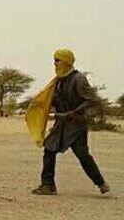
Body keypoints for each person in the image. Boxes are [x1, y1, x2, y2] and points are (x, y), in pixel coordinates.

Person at [27, 49, 109, 195]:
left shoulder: (78, 79)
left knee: (82, 154)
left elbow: (91, 100)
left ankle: (100, 183)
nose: (55, 63)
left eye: (57, 60)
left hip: (76, 125)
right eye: (54, 60)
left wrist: (73, 113)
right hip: (61, 124)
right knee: (49, 149)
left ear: (66, 60)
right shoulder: (58, 81)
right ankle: (48, 185)